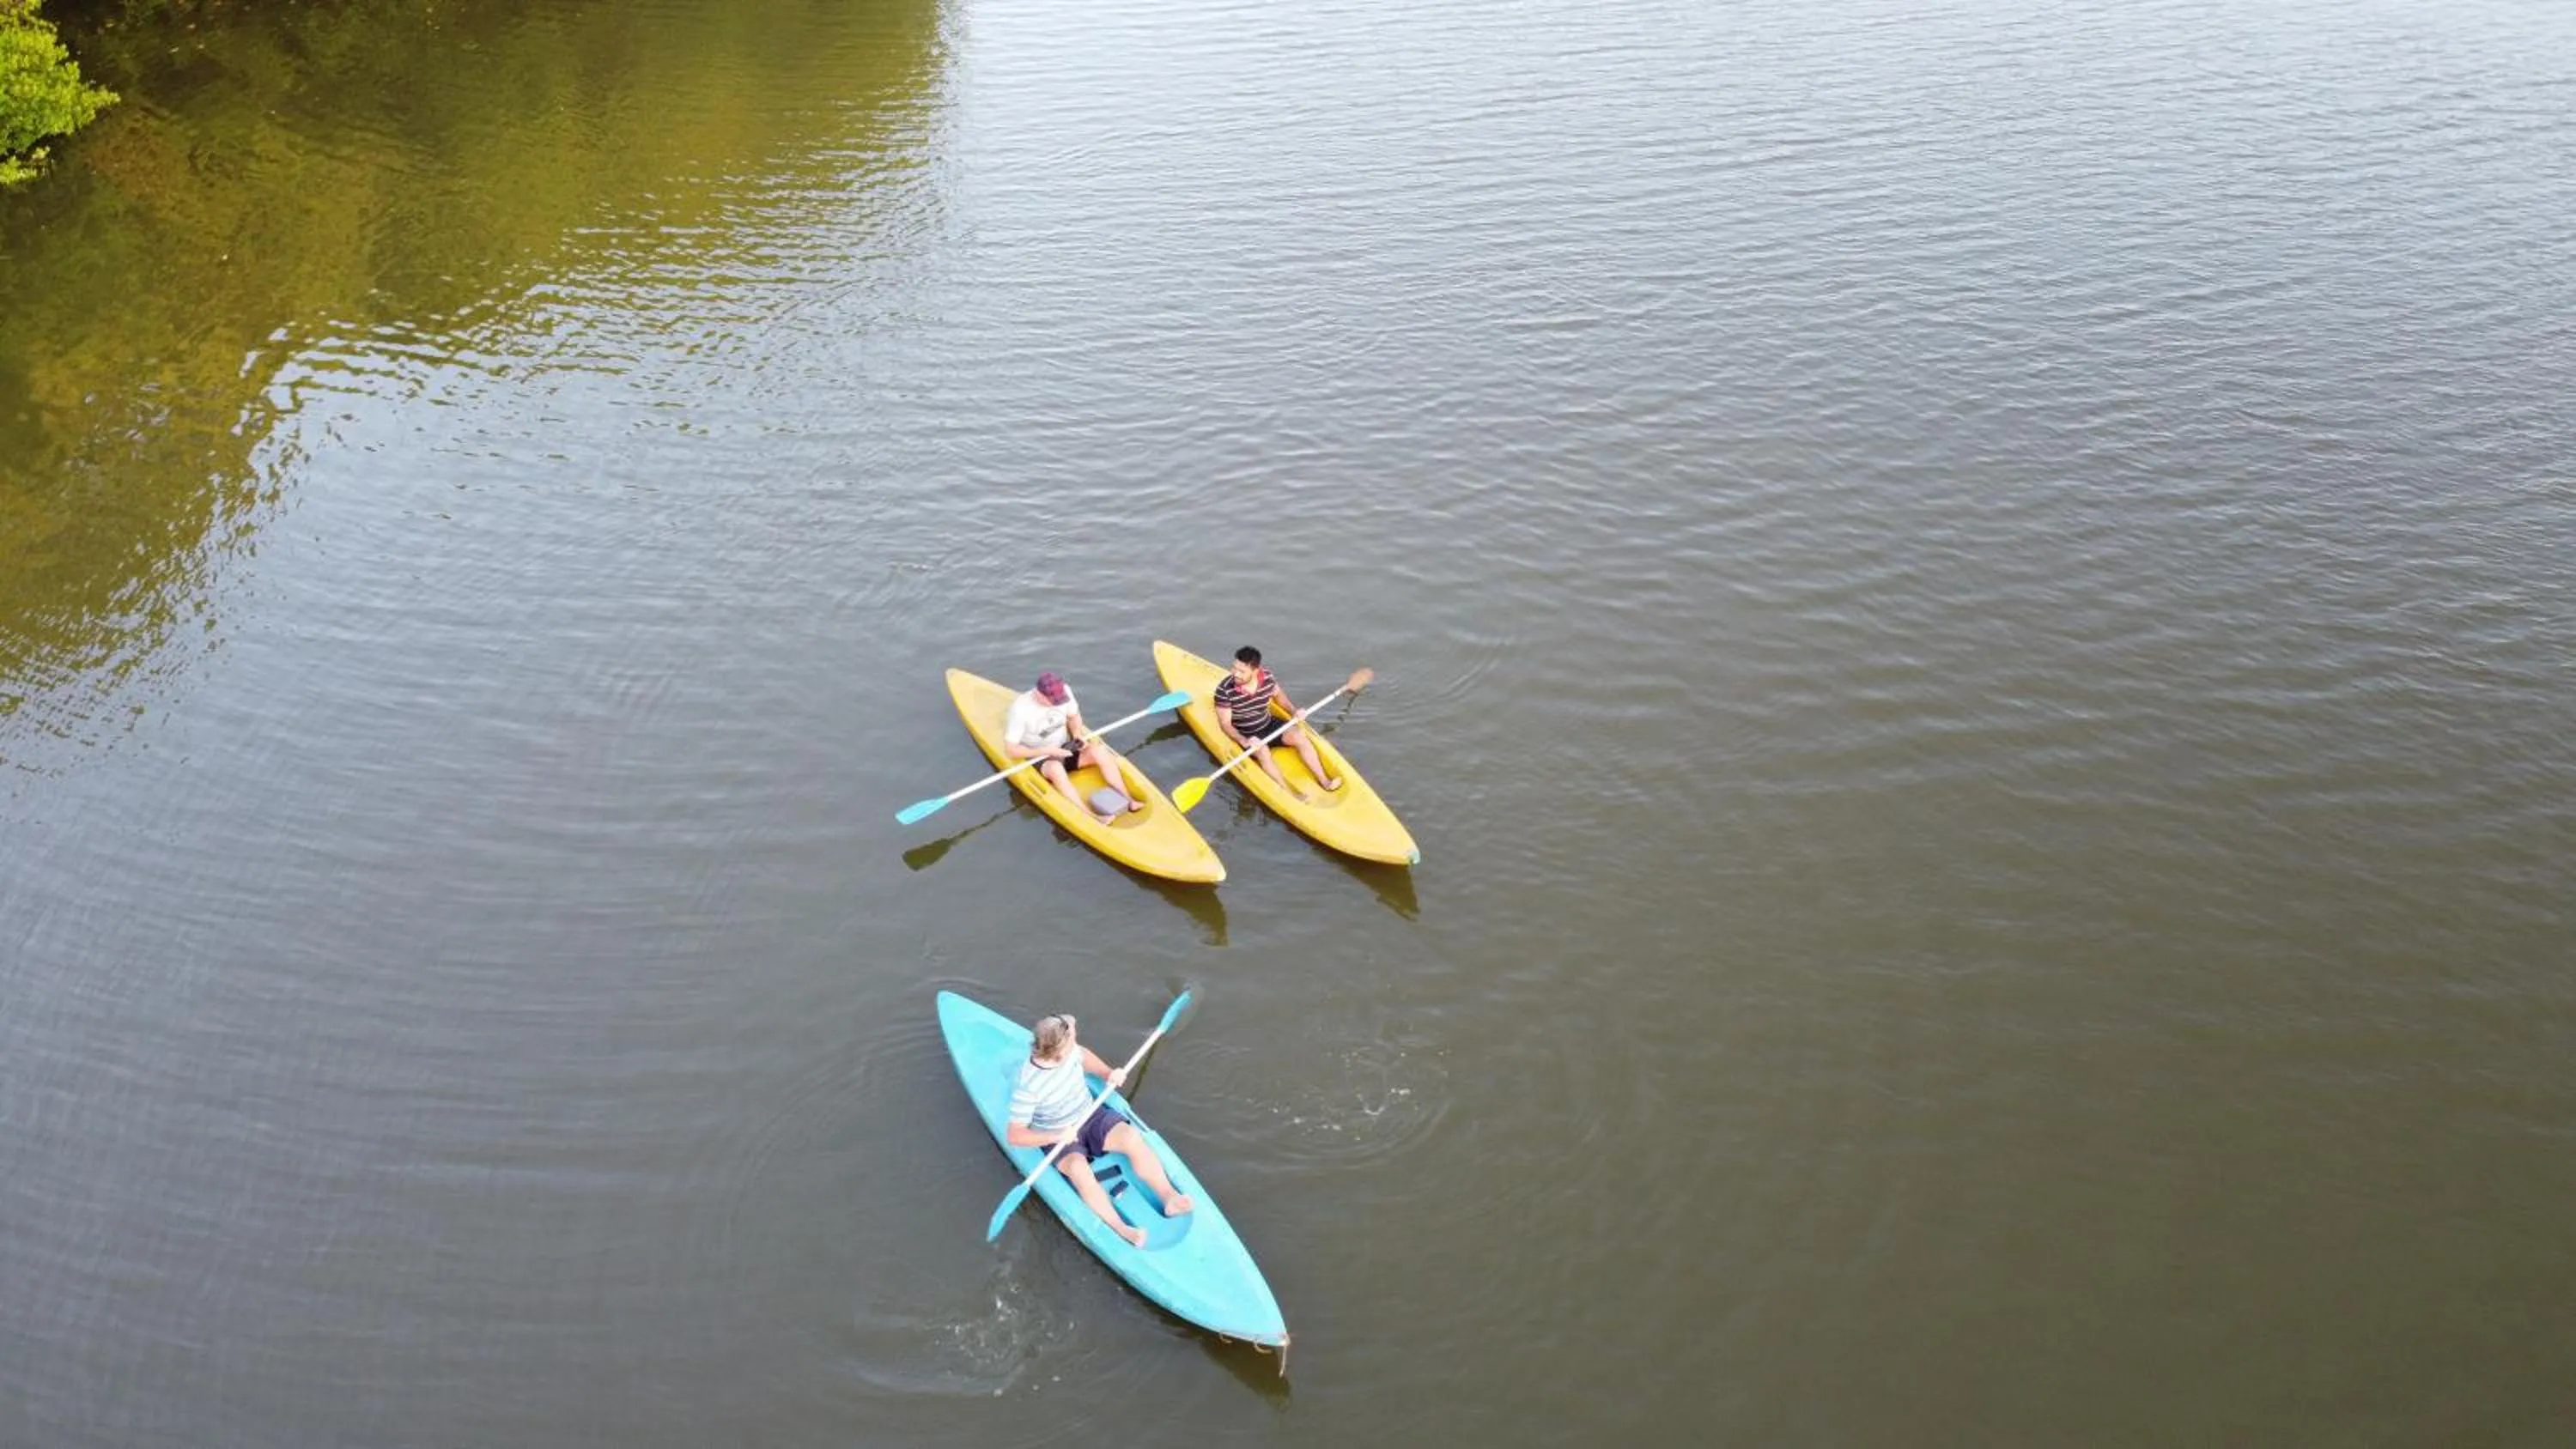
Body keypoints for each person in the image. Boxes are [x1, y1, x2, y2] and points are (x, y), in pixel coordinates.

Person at [1005, 1013, 1194, 1247]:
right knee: (1078, 1169)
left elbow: (1083, 1057)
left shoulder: (1070, 1051)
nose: (1076, 1035)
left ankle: (1169, 1197)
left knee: (1130, 1137)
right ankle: (1121, 1228)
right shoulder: (1029, 1087)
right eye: (1073, 1036)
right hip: (1057, 1134)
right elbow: (1015, 1135)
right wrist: (1056, 1136)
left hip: (1090, 1114)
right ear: (1059, 1052)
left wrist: (1108, 1073)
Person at [1005, 670, 1145, 827]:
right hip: (1039, 756)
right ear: (1039, 694)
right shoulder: (1021, 710)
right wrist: (1047, 751)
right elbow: (1011, 750)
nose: (1058, 704)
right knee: (1056, 768)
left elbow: (1074, 716)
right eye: (1053, 701)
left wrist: (1077, 734)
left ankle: (1129, 799)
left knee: (1099, 751)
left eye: (1059, 700)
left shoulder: (1065, 691)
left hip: (1065, 746)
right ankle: (1092, 816)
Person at [1212, 646, 1340, 799]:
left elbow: (1281, 699)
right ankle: (1289, 793)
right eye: (1234, 668)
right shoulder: (1224, 691)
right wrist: (1245, 741)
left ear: (1255, 671)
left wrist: (1294, 712)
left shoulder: (1267, 677)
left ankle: (1325, 781)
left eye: (1241, 671)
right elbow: (1225, 724)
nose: (1235, 673)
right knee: (1263, 751)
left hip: (1268, 724)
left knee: (1299, 735)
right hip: (1246, 733)